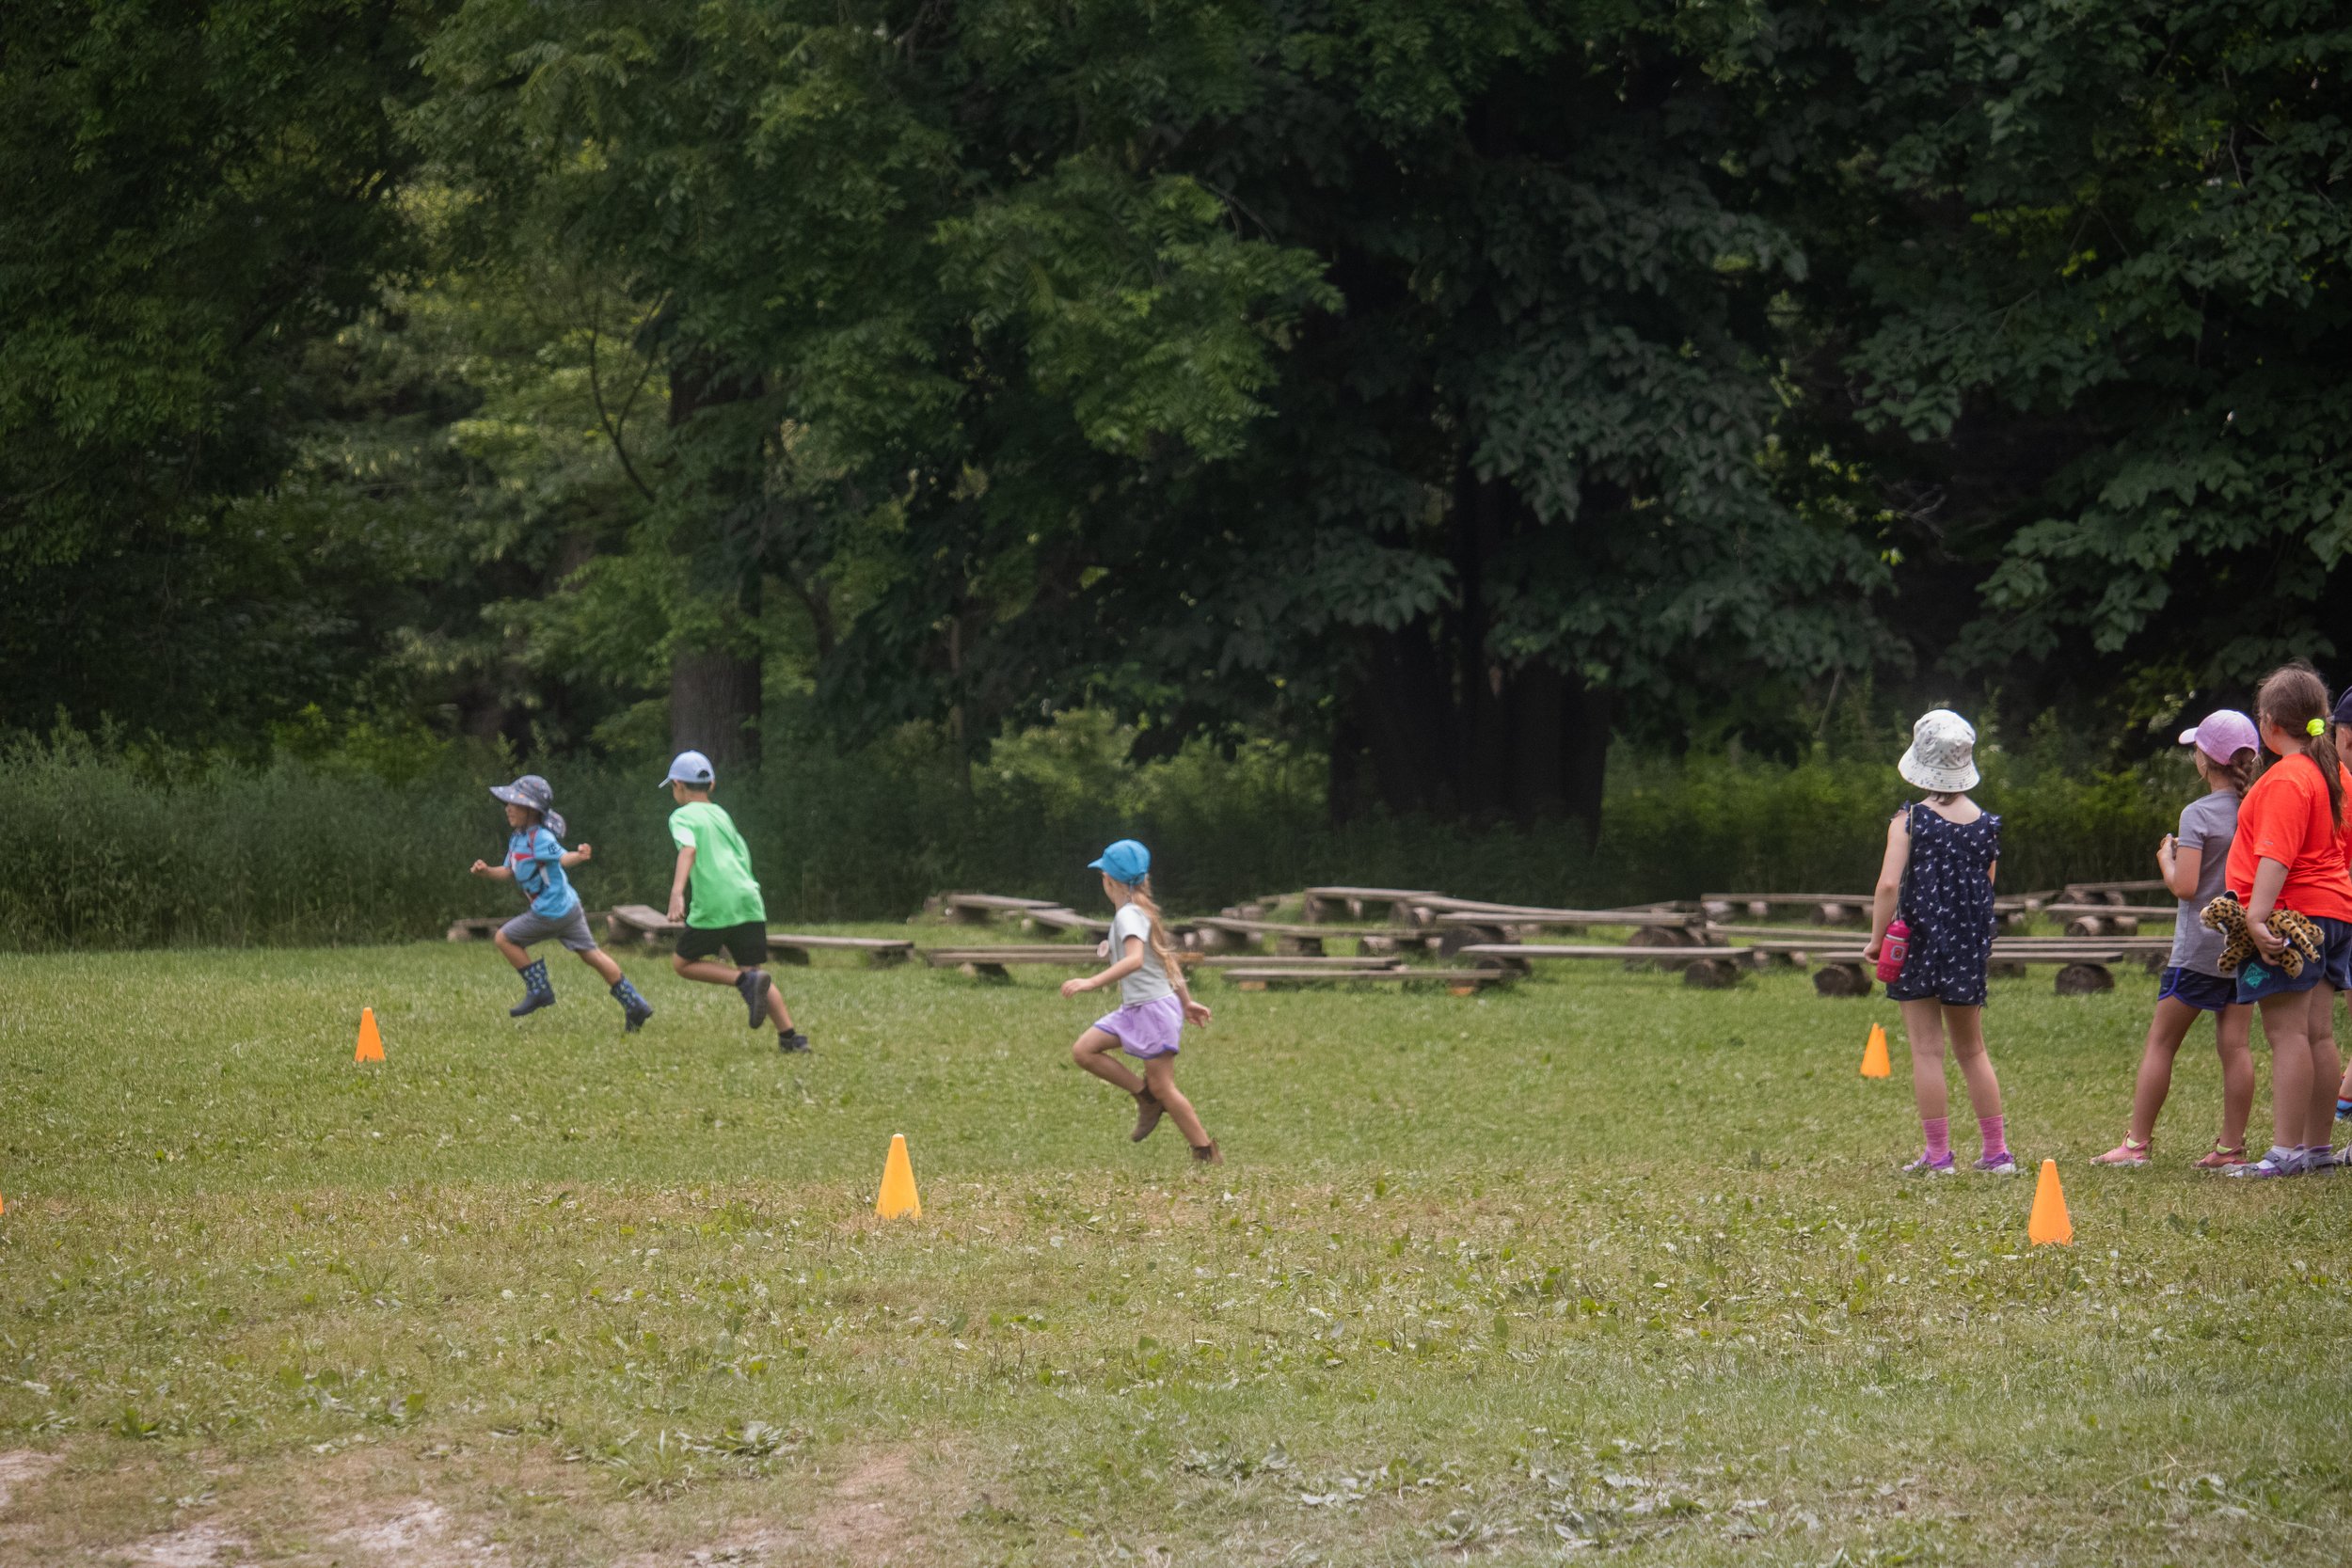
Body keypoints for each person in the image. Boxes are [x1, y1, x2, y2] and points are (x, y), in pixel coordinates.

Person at [2092, 711, 2259, 1168]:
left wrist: (2166, 857)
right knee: (2237, 1048)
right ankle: (2231, 1148)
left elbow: (2185, 887)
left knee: (2161, 1043)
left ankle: (2136, 1145)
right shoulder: (2257, 808)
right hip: (2245, 951)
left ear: (2207, 761)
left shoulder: (2197, 814)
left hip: (2199, 953)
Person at [1865, 710, 2014, 1175]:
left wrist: (1875, 939)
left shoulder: (1908, 822)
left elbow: (1889, 885)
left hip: (1918, 945)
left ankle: (1938, 1156)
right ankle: (1995, 1153)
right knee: (1973, 1051)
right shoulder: (1988, 825)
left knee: (1927, 1052)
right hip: (1967, 949)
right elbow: (1987, 890)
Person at [2221, 664, 2351, 1177]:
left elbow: (2275, 857)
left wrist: (2256, 917)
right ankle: (2316, 1148)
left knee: (2287, 1034)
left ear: (2270, 724)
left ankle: (2285, 1150)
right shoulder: (2336, 774)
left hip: (2293, 918)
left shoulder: (2286, 779)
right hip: (2336, 915)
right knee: (2318, 1034)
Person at [1062, 839, 1219, 1163]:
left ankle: (1205, 1153)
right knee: (1084, 1050)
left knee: (1165, 1087)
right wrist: (1186, 1002)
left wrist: (1091, 981)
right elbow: (1166, 960)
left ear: (1108, 880)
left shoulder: (1129, 916)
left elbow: (1134, 960)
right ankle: (1144, 1095)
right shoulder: (1137, 912)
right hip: (1138, 1008)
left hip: (1151, 1011)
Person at [469, 774, 654, 1031]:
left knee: (504, 938)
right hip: (569, 906)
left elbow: (562, 858)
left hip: (551, 910)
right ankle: (635, 1005)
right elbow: (508, 871)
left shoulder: (540, 838)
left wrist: (578, 855)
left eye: (514, 803)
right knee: (592, 955)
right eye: (507, 802)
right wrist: (487, 871)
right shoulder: (517, 838)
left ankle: (539, 989)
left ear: (531, 810)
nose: (507, 807)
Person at [661, 750, 809, 1053]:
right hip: (748, 899)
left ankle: (742, 981)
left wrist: (677, 892)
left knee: (683, 963)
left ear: (677, 785)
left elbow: (688, 850)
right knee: (757, 975)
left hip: (717, 903)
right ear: (711, 785)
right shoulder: (721, 814)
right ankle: (791, 1038)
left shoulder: (682, 815)